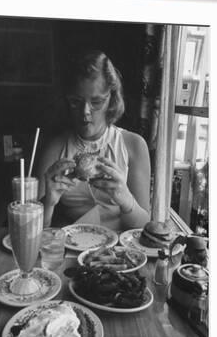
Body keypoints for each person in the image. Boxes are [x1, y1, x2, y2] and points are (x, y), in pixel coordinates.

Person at [36, 49, 151, 231]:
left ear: (111, 99)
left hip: (118, 251)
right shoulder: (55, 147)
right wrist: (48, 203)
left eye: (96, 102)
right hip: (71, 245)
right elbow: (34, 230)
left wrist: (127, 201)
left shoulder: (134, 146)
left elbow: (144, 228)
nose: (85, 112)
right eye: (76, 101)